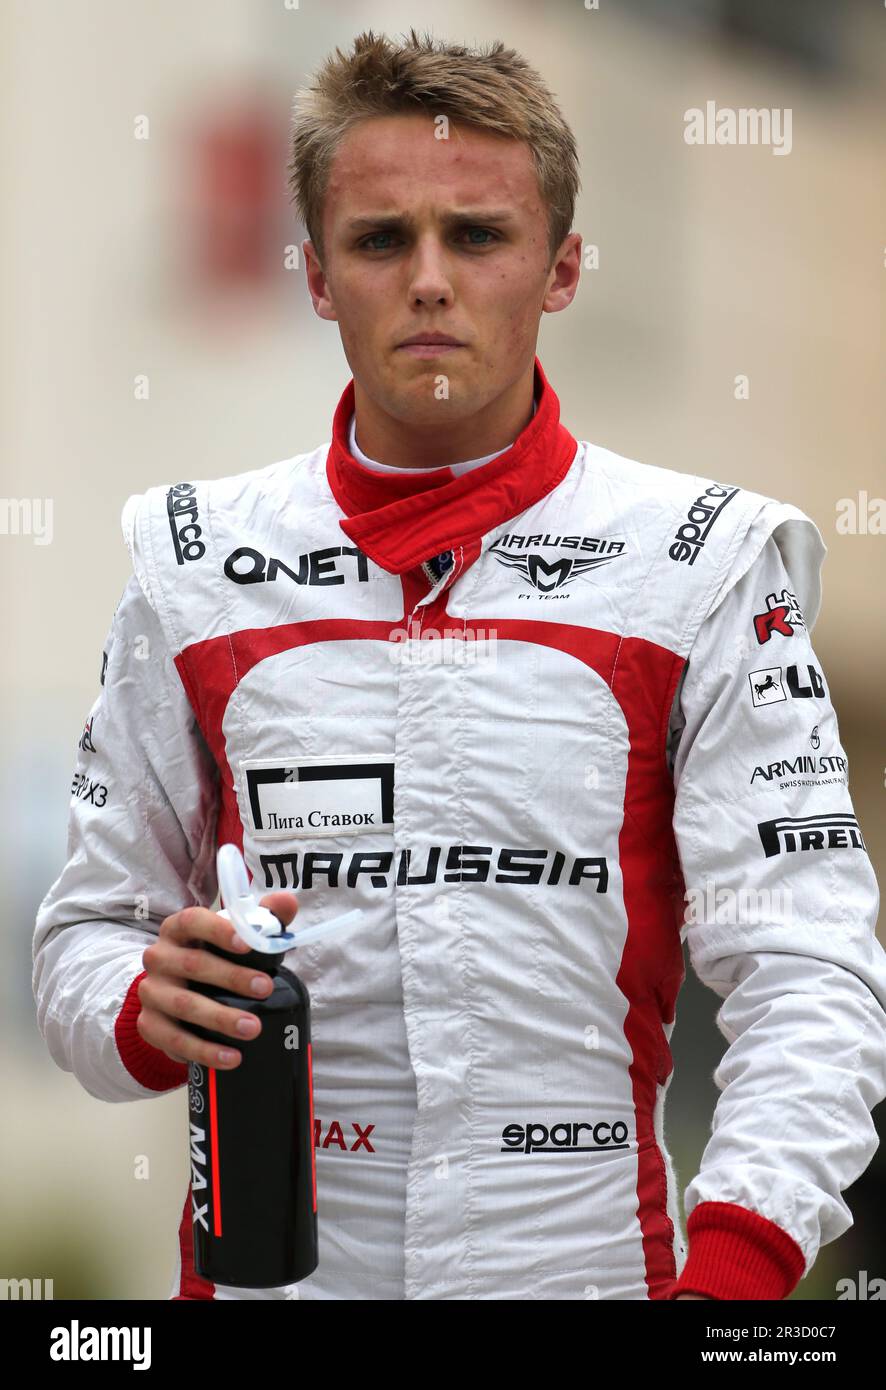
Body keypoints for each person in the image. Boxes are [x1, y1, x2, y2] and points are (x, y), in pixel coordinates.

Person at [33, 29, 886, 1303]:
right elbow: (81, 943)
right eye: (382, 240)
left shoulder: (702, 558)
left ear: (561, 269)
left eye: (477, 236)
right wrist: (137, 1004)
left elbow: (809, 965)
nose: (428, 280)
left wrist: (735, 1277)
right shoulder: (191, 559)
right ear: (318, 277)